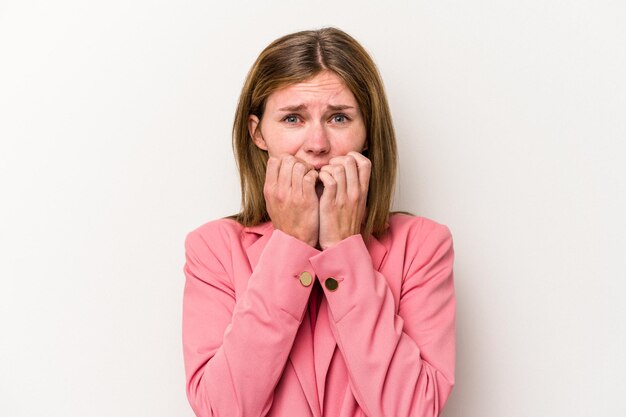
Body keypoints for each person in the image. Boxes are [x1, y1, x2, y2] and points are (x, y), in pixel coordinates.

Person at [182, 27, 455, 417]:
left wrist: (345, 248)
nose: (317, 144)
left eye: (339, 118)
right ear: (258, 134)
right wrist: (291, 243)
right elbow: (223, 409)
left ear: (366, 133)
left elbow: (410, 410)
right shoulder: (212, 249)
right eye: (293, 118)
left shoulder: (423, 245)